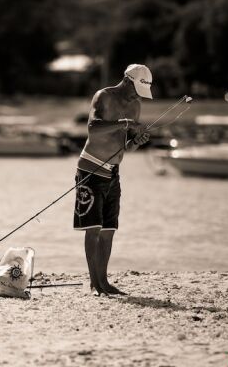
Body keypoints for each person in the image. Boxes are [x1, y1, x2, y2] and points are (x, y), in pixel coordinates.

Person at [73, 64, 152, 296]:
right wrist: (124, 123)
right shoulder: (104, 96)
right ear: (127, 81)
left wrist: (136, 143)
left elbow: (125, 146)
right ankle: (94, 282)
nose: (138, 96)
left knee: (109, 229)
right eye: (136, 89)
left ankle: (104, 281)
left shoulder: (135, 106)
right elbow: (92, 129)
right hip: (90, 169)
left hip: (113, 172)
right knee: (93, 228)